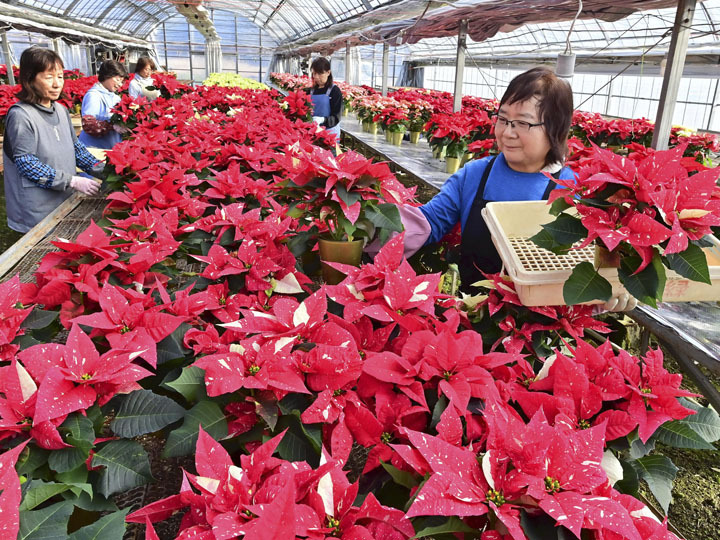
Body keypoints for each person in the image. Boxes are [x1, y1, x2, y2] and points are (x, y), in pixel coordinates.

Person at [406, 67, 636, 311]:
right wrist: (372, 227)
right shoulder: (474, 175)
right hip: (471, 322)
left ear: (555, 129)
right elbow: (429, 221)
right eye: (503, 119)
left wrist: (614, 290)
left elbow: (589, 272)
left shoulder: (576, 192)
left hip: (541, 333)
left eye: (522, 123)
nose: (507, 132)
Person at [3, 47, 103, 233]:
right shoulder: (21, 115)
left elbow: (76, 149)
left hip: (63, 198)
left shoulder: (60, 110)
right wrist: (72, 181)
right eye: (49, 77)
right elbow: (27, 163)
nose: (57, 84)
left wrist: (104, 170)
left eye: (60, 76)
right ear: (29, 79)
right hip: (37, 209)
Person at [78, 59, 127, 149]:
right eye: (117, 79)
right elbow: (89, 125)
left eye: (122, 81)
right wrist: (112, 126)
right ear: (107, 75)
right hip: (94, 150)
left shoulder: (115, 97)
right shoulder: (94, 96)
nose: (120, 84)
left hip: (110, 148)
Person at [307, 57, 342, 145]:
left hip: (329, 135)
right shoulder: (310, 91)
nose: (317, 77)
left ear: (328, 72)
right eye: (314, 74)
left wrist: (323, 119)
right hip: (313, 133)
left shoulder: (334, 91)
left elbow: (336, 117)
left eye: (320, 74)